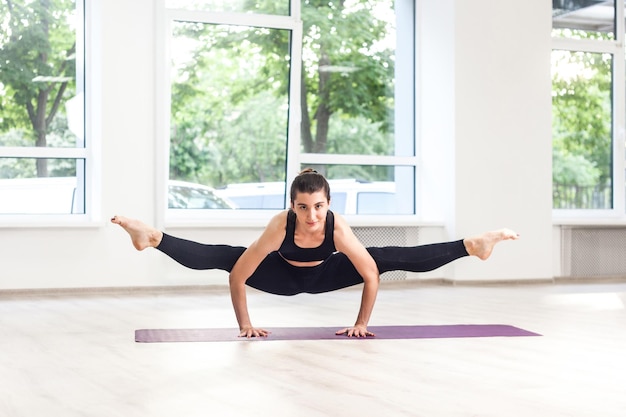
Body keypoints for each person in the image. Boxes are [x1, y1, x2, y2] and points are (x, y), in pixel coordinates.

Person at [112, 169, 519, 338]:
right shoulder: (279, 225)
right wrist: (246, 326)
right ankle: (153, 237)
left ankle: (472, 245)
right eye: (303, 208)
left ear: (328, 204)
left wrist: (360, 324)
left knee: (390, 256)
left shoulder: (337, 227)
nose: (311, 216)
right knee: (225, 254)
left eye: (319, 207)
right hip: (280, 277)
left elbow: (371, 273)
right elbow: (238, 275)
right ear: (292, 206)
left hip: (326, 274)